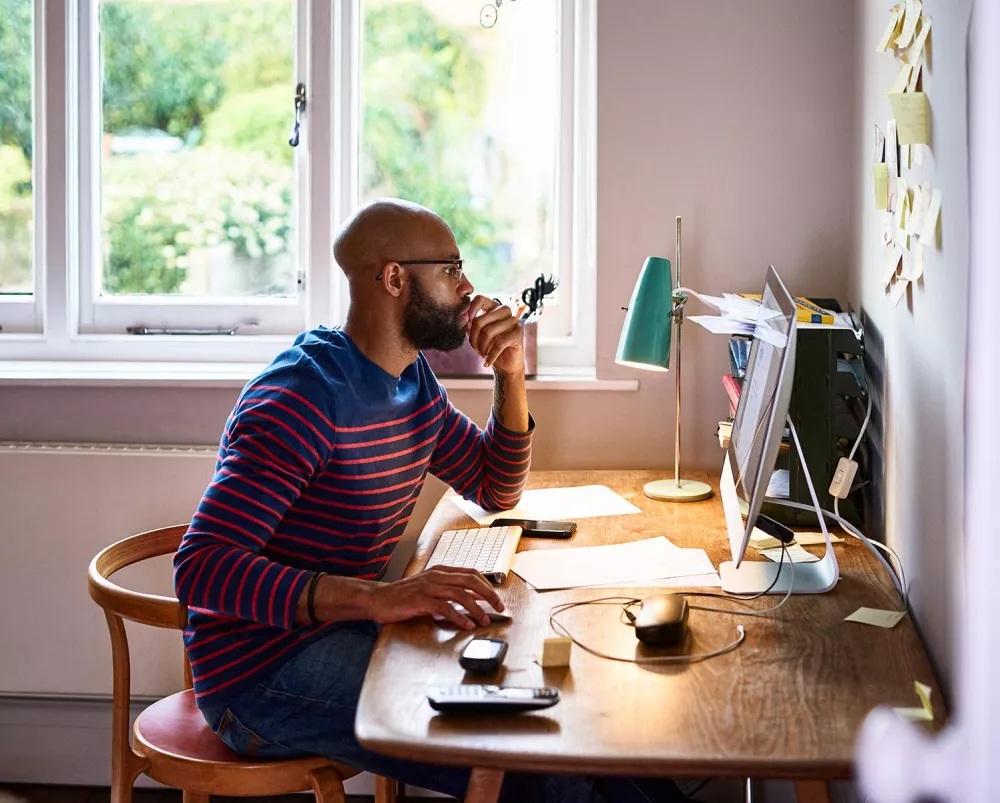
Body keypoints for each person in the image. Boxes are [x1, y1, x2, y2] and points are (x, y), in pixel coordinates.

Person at [173, 198, 687, 803]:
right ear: (394, 278)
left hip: (346, 632)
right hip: (260, 674)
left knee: (582, 724)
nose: (469, 288)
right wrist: (381, 597)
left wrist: (511, 372)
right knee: (539, 765)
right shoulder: (301, 399)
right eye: (451, 270)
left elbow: (495, 488)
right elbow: (200, 569)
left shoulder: (411, 382)